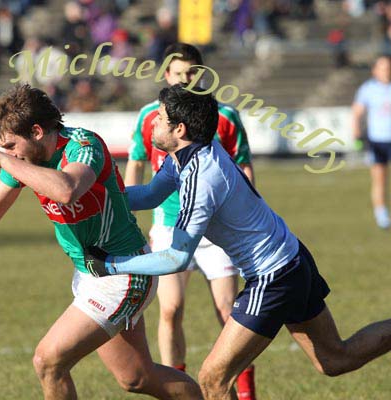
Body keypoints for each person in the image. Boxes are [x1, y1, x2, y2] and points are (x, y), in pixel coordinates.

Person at [84, 84, 391, 400]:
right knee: (334, 359)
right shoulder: (189, 152)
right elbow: (149, 194)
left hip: (274, 277)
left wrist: (111, 265)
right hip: (290, 258)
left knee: (212, 381)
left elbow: (176, 258)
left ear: (180, 128)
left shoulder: (200, 178)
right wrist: (92, 196)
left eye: (160, 118)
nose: (153, 122)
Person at [0, 84, 202, 400]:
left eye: (11, 145)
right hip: (92, 273)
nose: (8, 153)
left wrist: (4, 160)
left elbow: (68, 189)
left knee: (48, 361)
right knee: (137, 378)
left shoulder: (83, 146)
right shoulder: (23, 159)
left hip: (124, 273)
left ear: (36, 131)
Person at [125, 42, 256, 399]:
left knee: (230, 313)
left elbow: (243, 164)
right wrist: (117, 205)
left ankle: (244, 393)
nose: (185, 79)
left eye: (191, 73)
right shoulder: (152, 117)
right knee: (170, 309)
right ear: (166, 75)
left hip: (216, 231)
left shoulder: (222, 117)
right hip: (170, 223)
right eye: (178, 73)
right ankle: (177, 393)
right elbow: (142, 170)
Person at [352, 54, 391, 229]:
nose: (386, 71)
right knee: (379, 179)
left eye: (388, 67)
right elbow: (357, 112)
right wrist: (356, 133)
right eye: (382, 67)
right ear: (375, 70)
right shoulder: (367, 89)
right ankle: (381, 214)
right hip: (377, 140)